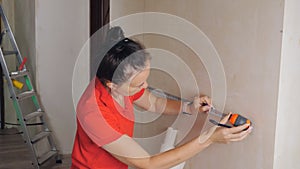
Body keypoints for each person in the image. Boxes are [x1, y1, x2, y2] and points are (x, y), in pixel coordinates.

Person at [71, 27, 252, 169]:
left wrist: (188, 107)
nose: (145, 87)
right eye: (138, 85)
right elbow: (149, 163)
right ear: (112, 84)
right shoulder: (93, 112)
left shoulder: (121, 82)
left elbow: (155, 103)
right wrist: (210, 139)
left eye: (145, 80)